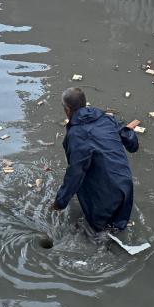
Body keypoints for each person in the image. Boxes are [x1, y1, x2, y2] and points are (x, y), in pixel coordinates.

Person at [53, 87, 139, 234]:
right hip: (125, 185)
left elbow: (76, 172)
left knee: (98, 235)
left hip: (104, 195)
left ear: (67, 109)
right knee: (117, 228)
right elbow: (131, 141)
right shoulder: (106, 118)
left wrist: (60, 202)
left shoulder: (76, 134)